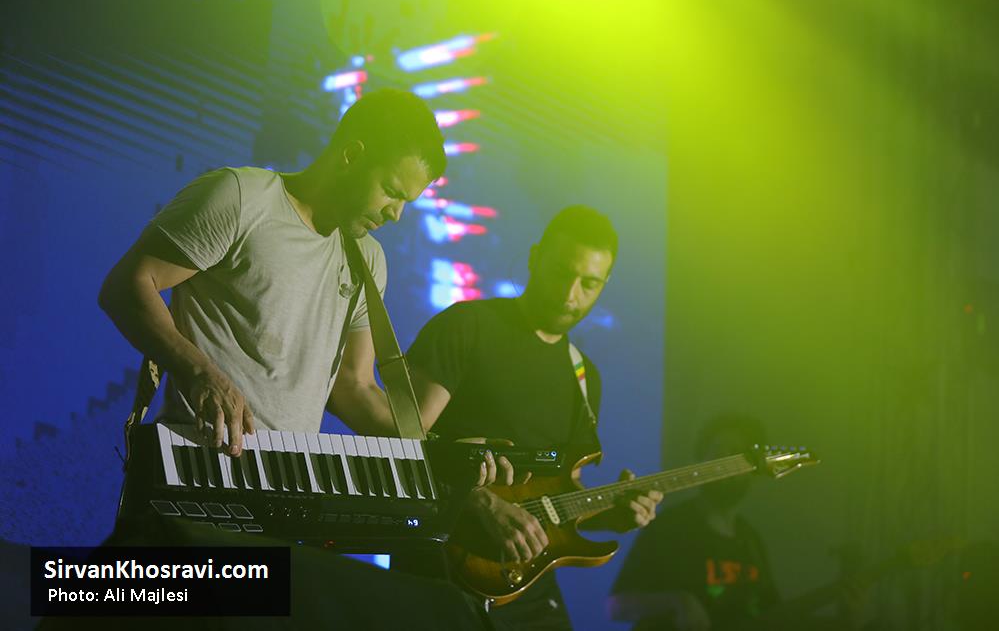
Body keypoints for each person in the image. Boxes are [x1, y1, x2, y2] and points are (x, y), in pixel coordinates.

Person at [98, 88, 447, 456]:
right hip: (198, 457)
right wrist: (199, 372)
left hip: (286, 477)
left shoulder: (368, 259)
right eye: (391, 191)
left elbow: (353, 386)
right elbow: (128, 285)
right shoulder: (241, 197)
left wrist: (444, 455)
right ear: (351, 155)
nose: (396, 214)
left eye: (406, 202)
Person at [403, 205, 664, 630]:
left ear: (604, 284)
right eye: (561, 273)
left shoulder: (583, 376)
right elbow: (397, 443)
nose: (569, 294)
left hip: (531, 586)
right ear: (534, 257)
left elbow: (560, 491)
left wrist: (611, 512)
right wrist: (478, 501)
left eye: (589, 283)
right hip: (439, 573)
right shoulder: (467, 327)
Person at [607, 414, 780, 631]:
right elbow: (616, 606)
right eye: (719, 453)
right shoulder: (670, 527)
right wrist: (677, 601)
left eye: (737, 455)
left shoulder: (751, 540)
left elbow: (773, 610)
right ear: (701, 460)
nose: (726, 465)